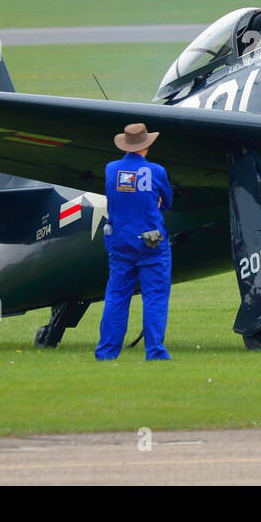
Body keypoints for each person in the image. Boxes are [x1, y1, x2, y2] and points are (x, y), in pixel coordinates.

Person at [95, 122, 174, 361]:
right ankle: (155, 352)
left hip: (119, 240)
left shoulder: (111, 169)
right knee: (155, 296)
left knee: (117, 295)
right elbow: (168, 202)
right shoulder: (157, 171)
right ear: (146, 146)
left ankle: (107, 352)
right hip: (151, 241)